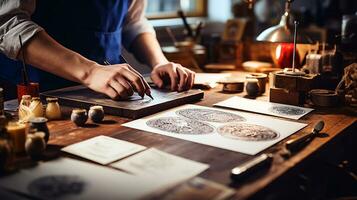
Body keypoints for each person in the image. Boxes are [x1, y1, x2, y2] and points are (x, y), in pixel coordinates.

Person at [0, 0, 195, 100]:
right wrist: (91, 72)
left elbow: (132, 21)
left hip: (112, 94)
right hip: (34, 94)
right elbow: (9, 23)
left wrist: (159, 62)